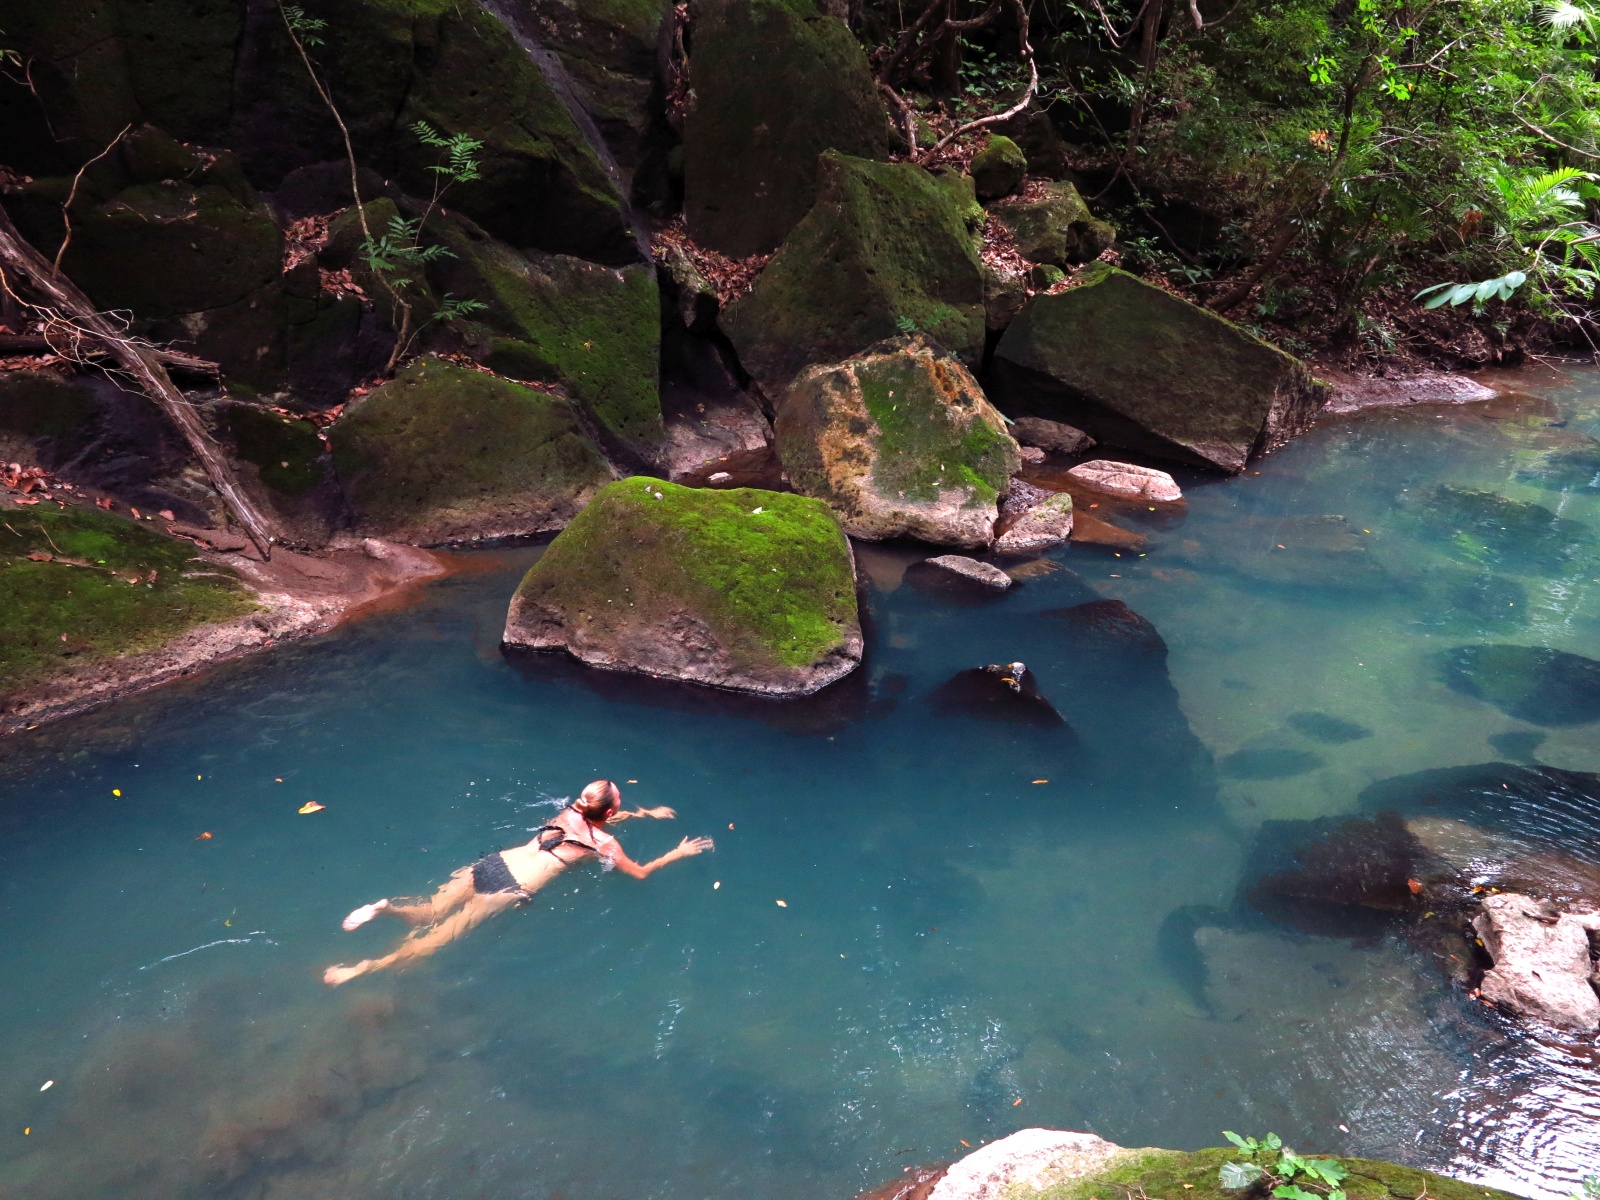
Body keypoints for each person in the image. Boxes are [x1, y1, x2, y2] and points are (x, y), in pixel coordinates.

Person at [322, 780, 713, 986]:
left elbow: (593, 821)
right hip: (509, 889)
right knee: (432, 943)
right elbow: (640, 873)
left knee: (431, 911)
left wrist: (645, 814)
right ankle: (360, 970)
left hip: (494, 864)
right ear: (609, 812)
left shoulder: (568, 812)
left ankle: (386, 908)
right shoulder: (606, 844)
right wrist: (677, 853)